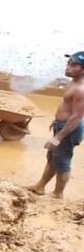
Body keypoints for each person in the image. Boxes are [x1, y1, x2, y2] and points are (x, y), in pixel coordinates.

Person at [30, 51, 84, 199]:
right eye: (68, 63)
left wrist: (58, 137)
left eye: (73, 65)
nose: (68, 67)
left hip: (69, 130)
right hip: (62, 125)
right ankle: (40, 187)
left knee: (62, 162)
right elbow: (68, 107)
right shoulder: (74, 82)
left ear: (83, 70)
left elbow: (76, 117)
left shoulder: (81, 89)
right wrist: (57, 121)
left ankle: (58, 194)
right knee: (53, 158)